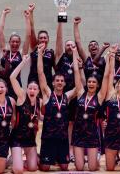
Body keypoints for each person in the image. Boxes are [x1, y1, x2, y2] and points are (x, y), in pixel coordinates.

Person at [71, 42, 111, 171]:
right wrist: (74, 52)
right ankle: (87, 157)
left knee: (93, 168)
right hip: (78, 134)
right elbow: (76, 72)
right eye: (89, 81)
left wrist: (110, 58)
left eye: (94, 82)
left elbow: (106, 76)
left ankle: (96, 157)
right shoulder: (80, 93)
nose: (91, 83)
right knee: (79, 167)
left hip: (92, 135)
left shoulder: (99, 97)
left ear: (97, 85)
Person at [37, 43, 77, 171]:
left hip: (63, 138)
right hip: (48, 137)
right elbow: (40, 73)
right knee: (45, 168)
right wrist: (39, 54)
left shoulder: (68, 96)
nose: (59, 82)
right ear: (53, 82)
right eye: (57, 80)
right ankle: (36, 157)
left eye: (62, 81)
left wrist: (76, 59)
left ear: (65, 83)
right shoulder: (48, 94)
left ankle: (57, 158)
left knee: (65, 167)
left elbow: (80, 85)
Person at [54, 19, 86, 162]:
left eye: (72, 45)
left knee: (72, 124)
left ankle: (71, 151)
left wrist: (80, 68)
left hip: (74, 97)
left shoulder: (79, 62)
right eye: (68, 45)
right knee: (58, 123)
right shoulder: (60, 59)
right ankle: (58, 150)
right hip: (60, 97)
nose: (69, 46)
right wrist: (61, 19)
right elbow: (59, 40)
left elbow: (84, 82)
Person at [10, 55, 42, 173]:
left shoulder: (40, 101)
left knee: (33, 168)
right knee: (18, 170)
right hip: (17, 138)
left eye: (35, 89)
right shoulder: (22, 97)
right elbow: (12, 77)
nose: (32, 91)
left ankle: (20, 159)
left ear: (38, 91)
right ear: (26, 89)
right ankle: (14, 158)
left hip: (30, 138)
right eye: (30, 88)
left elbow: (38, 117)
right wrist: (23, 62)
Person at [0, 7, 31, 98]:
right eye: (13, 41)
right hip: (3, 84)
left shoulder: (21, 53)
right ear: (9, 42)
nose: (15, 43)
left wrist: (27, 18)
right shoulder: (4, 51)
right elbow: (0, 31)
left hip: (16, 83)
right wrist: (3, 14)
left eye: (17, 42)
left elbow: (28, 35)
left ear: (20, 43)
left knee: (14, 108)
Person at [27, 3, 55, 89]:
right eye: (41, 38)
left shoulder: (51, 52)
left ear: (48, 39)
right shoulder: (34, 48)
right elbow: (31, 28)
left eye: (45, 38)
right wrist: (31, 12)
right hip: (33, 80)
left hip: (47, 82)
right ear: (38, 40)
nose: (43, 39)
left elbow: (56, 67)